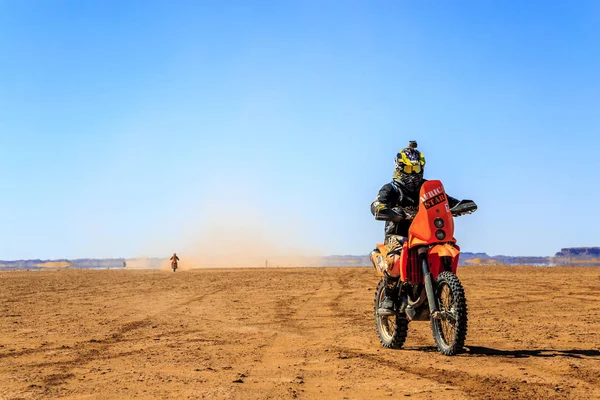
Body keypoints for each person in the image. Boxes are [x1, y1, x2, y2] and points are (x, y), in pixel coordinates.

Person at [370, 141, 460, 315]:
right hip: (397, 234)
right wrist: (382, 208)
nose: (414, 174)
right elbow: (377, 204)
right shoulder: (391, 188)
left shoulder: (427, 189)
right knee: (394, 261)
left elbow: (447, 201)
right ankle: (389, 296)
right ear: (399, 168)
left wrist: (460, 205)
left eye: (417, 169)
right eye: (410, 170)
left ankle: (443, 290)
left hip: (425, 233)